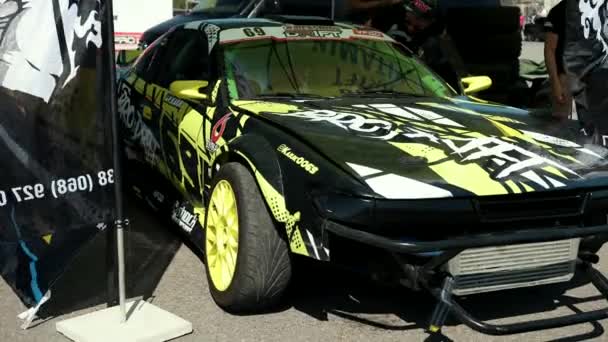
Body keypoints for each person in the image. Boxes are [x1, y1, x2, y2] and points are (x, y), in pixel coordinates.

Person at [544, 0, 573, 120]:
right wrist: (555, 83)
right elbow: (549, 50)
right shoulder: (558, 11)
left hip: (593, 78)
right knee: (561, 124)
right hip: (565, 79)